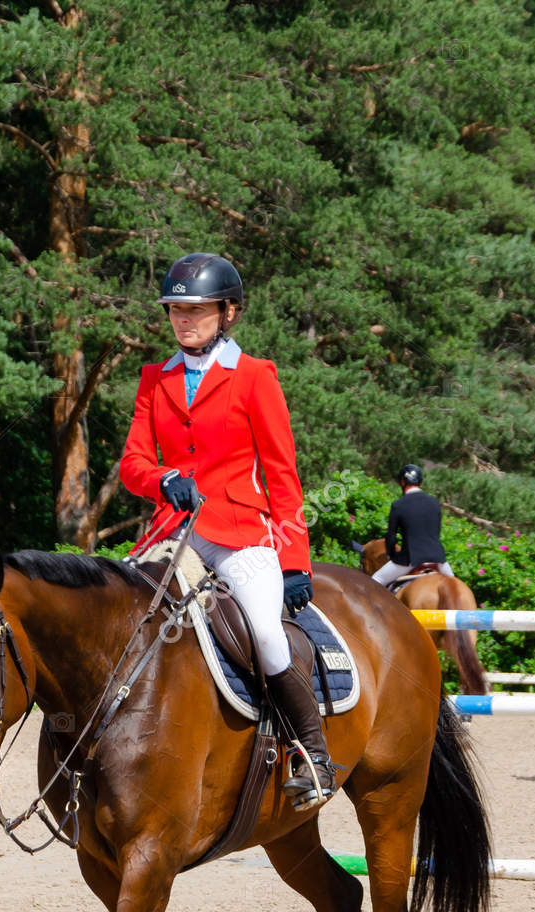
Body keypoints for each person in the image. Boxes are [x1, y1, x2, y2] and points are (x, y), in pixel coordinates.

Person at [120, 252, 337, 806]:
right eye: (175, 310)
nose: (183, 319)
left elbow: (284, 474)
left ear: (228, 311)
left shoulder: (256, 376)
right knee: (121, 618)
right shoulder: (155, 379)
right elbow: (133, 464)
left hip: (240, 531)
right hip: (173, 532)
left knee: (265, 632)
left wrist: (293, 561)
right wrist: (163, 479)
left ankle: (310, 752)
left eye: (196, 310)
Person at [371, 464, 453, 586]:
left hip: (410, 559)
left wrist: (393, 556)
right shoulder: (434, 502)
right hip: (438, 559)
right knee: (457, 588)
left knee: (375, 580)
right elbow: (436, 532)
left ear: (403, 482)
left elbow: (391, 537)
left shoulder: (398, 505)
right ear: (419, 482)